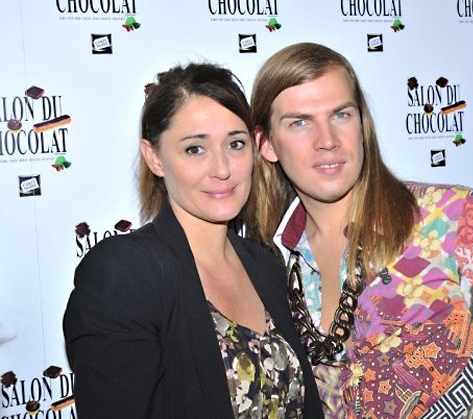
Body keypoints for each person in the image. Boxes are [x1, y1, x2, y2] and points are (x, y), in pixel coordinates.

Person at [246, 43, 473, 418]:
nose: (327, 140)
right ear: (266, 144)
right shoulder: (269, 262)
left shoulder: (454, 218)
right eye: (300, 122)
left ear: (362, 124)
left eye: (341, 114)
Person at [63, 62, 324, 418]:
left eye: (235, 144)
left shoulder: (266, 265)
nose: (222, 169)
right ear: (154, 157)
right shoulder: (124, 273)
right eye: (195, 149)